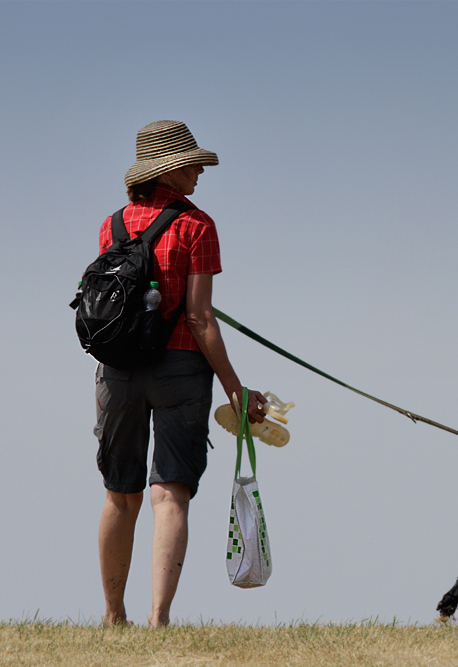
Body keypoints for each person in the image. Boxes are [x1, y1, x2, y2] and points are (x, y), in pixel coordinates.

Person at [93, 120, 267, 627]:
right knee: (170, 492)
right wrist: (237, 390)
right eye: (192, 163)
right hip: (180, 369)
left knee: (119, 494)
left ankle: (111, 615)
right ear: (171, 168)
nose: (199, 172)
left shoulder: (113, 225)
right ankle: (159, 617)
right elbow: (199, 317)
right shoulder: (198, 226)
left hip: (117, 370)